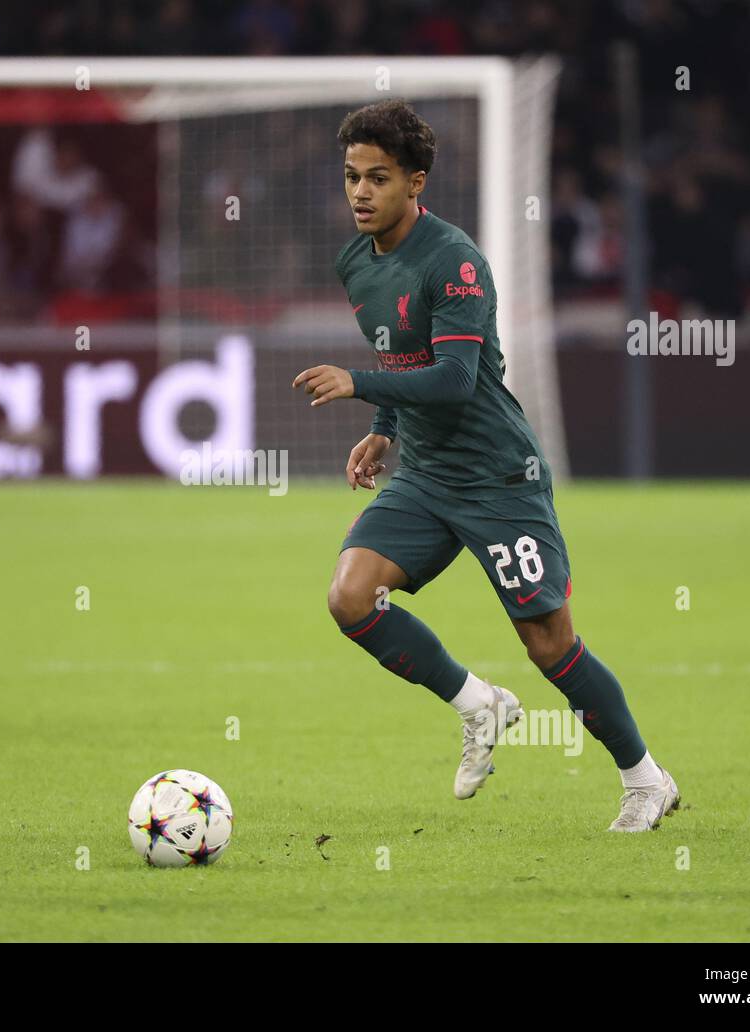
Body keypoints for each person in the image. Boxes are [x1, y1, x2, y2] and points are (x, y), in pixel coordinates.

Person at [293, 100, 678, 831]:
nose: (361, 192)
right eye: (351, 177)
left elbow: (451, 380)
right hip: (427, 474)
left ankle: (644, 778)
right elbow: (395, 350)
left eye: (378, 177)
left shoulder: (456, 261)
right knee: (350, 596)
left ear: (416, 181)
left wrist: (359, 387)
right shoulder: (355, 262)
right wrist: (381, 430)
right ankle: (479, 703)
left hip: (499, 477)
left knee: (549, 644)